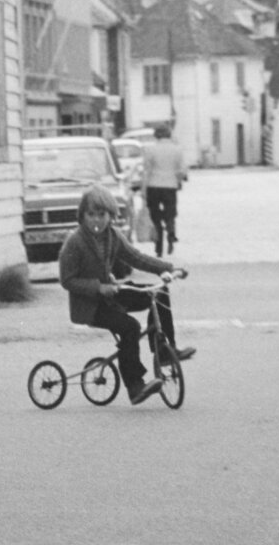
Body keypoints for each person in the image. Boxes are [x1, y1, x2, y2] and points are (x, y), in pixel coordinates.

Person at [58, 186, 193, 406]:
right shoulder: (75, 242)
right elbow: (67, 280)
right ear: (82, 215)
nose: (97, 220)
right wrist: (98, 288)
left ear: (111, 216)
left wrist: (167, 268)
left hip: (112, 295)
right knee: (129, 327)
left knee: (157, 293)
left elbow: (136, 257)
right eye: (91, 214)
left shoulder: (112, 236)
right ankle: (135, 385)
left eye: (102, 215)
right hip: (90, 306)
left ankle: (164, 350)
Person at [140, 125, 188, 257]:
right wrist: (178, 179)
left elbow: (146, 171)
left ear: (156, 135)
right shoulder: (177, 150)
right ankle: (171, 231)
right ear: (169, 135)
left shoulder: (150, 150)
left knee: (155, 215)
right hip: (170, 186)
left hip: (153, 186)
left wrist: (143, 189)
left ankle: (158, 245)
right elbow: (182, 170)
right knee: (170, 212)